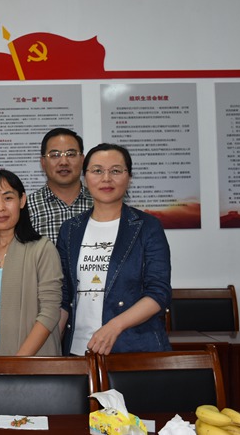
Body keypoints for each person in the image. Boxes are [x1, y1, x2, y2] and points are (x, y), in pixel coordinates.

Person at [57, 143, 171, 355]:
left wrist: (114, 326)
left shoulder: (147, 227)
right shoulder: (70, 230)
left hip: (134, 349)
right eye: (97, 171)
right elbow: (64, 296)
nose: (106, 178)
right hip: (78, 350)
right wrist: (52, 342)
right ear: (85, 177)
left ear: (129, 177)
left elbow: (158, 293)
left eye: (116, 171)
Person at [0, 170, 63, 356]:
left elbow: (50, 312)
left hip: (35, 362)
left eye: (8, 198)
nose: (0, 208)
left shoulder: (42, 249)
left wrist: (16, 364)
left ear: (22, 200)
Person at [27, 127, 93, 244]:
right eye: (55, 155)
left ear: (82, 159)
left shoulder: (99, 203)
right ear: (43, 162)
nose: (64, 162)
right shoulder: (26, 208)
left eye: (71, 154)